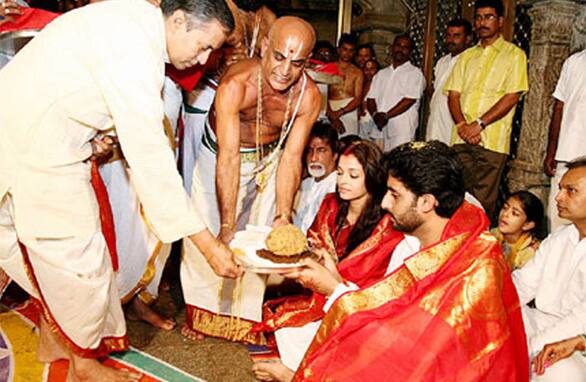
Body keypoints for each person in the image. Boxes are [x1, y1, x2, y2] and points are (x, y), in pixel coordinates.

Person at [0, 0, 242, 380]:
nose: (204, 59)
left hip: (30, 134)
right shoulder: (135, 46)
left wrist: (97, 135)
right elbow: (149, 154)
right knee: (80, 261)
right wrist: (207, 244)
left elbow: (81, 85)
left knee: (50, 256)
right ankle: (84, 364)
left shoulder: (131, 23)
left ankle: (57, 342)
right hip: (38, 146)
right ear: (178, 21)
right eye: (203, 45)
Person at [280, 141, 529, 381]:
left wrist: (333, 290)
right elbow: (391, 308)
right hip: (408, 347)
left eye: (394, 195)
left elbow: (421, 348)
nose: (385, 203)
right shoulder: (411, 240)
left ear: (426, 202)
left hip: (439, 367)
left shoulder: (476, 266)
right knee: (298, 338)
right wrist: (335, 278)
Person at [180, 16, 321, 343]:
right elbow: (227, 157)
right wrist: (227, 224)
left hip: (270, 159)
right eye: (279, 57)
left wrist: (283, 216)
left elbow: (290, 157)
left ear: (307, 63)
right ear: (264, 48)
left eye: (297, 63)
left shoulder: (309, 97)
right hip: (220, 154)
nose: (285, 70)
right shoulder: (236, 85)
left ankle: (243, 319)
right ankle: (200, 316)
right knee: (210, 228)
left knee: (260, 234)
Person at [252, 141, 404, 381]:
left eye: (353, 175)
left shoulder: (387, 225)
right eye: (340, 173)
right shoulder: (331, 204)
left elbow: (372, 279)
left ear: (373, 177)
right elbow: (311, 240)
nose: (343, 181)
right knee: (284, 326)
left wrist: (333, 274)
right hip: (317, 290)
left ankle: (295, 374)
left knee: (326, 341)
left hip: (355, 304)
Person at [445, 0, 528, 218]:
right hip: (461, 138)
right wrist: (463, 125)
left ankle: (477, 250)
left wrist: (479, 125)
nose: (483, 22)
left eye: (489, 17)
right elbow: (453, 95)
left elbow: (511, 97)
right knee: (455, 197)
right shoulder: (466, 57)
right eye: (479, 17)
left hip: (492, 141)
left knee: (481, 204)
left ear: (501, 21)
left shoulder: (514, 55)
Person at [513, 157, 586, 381]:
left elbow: (579, 319)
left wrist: (528, 348)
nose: (558, 197)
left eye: (570, 191)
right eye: (560, 188)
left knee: (555, 374)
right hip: (538, 322)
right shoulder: (561, 237)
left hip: (574, 342)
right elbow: (521, 285)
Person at [543, 48, 586, 231]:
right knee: (558, 218)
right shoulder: (574, 61)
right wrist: (551, 150)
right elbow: (559, 107)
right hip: (567, 153)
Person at [366, 35, 425, 152]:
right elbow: (370, 99)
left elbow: (409, 100)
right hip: (379, 128)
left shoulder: (415, 74)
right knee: (379, 164)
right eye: (398, 45)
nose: (400, 49)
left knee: (398, 164)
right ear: (392, 48)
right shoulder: (381, 74)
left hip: (401, 130)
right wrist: (375, 115)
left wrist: (386, 116)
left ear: (411, 52)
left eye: (405, 47)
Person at [426, 18, 472, 144]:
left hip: (454, 124)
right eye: (448, 36)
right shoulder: (442, 61)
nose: (451, 40)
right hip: (435, 119)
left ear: (467, 39)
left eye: (456, 36)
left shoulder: (471, 61)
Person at [293, 121, 339, 234]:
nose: (313, 158)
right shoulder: (304, 185)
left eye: (321, 150)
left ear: (335, 155)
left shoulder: (339, 187)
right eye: (309, 151)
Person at [491, 191, 543, 271]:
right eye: (505, 207)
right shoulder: (491, 235)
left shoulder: (533, 253)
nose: (505, 214)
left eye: (514, 213)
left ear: (527, 225)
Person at [326, 33, 363, 137]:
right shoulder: (329, 68)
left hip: (349, 112)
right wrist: (332, 115)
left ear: (354, 52)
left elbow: (358, 99)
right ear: (339, 50)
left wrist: (340, 112)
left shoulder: (357, 72)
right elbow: (323, 94)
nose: (347, 53)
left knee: (349, 146)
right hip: (330, 111)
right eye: (345, 49)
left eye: (351, 50)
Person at [358, 58, 380, 143]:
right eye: (366, 69)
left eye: (372, 69)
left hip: (374, 120)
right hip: (362, 120)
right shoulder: (362, 84)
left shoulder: (380, 85)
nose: (369, 72)